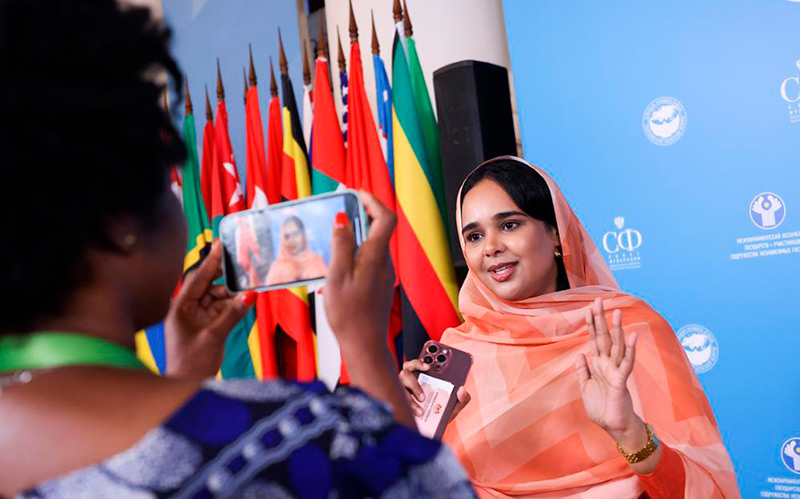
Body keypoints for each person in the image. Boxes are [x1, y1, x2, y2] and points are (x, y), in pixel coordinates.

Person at [0, 1, 475, 497]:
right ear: (120, 223)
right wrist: (365, 345)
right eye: (167, 183)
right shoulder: (291, 437)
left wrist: (184, 380)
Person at [400, 156, 741, 498]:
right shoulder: (461, 356)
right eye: (474, 236)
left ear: (556, 233)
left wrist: (630, 434)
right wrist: (408, 433)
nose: (490, 248)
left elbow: (708, 488)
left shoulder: (627, 329)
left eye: (509, 225)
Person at [265, 215, 329, 286]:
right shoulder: (277, 268)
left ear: (303, 235)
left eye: (295, 234)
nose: (292, 240)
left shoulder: (316, 261)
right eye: (287, 236)